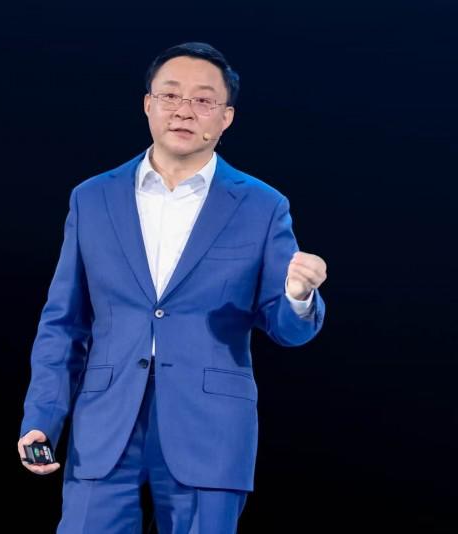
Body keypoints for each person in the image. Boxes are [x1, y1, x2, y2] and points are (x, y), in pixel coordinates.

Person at [17, 42, 327, 533]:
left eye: (203, 100)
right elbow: (64, 323)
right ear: (148, 104)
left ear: (226, 117)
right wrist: (43, 416)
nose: (184, 110)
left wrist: (298, 295)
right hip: (105, 421)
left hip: (210, 428)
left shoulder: (263, 206)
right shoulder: (92, 198)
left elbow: (289, 330)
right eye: (170, 95)